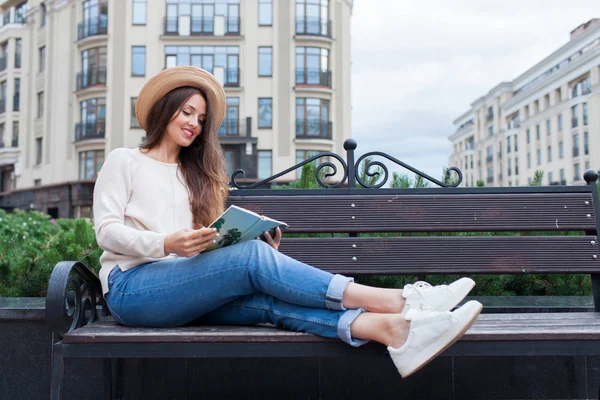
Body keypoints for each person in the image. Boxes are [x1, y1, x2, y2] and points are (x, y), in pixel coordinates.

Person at [93, 66, 482, 379]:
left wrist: (257, 252)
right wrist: (167, 244)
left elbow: (206, 246)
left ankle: (393, 332)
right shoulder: (125, 160)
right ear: (165, 109)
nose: (194, 123)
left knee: (265, 302)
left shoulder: (196, 177)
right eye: (187, 112)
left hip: (183, 290)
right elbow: (106, 232)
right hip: (133, 289)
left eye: (201, 118)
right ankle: (399, 301)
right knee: (250, 262)